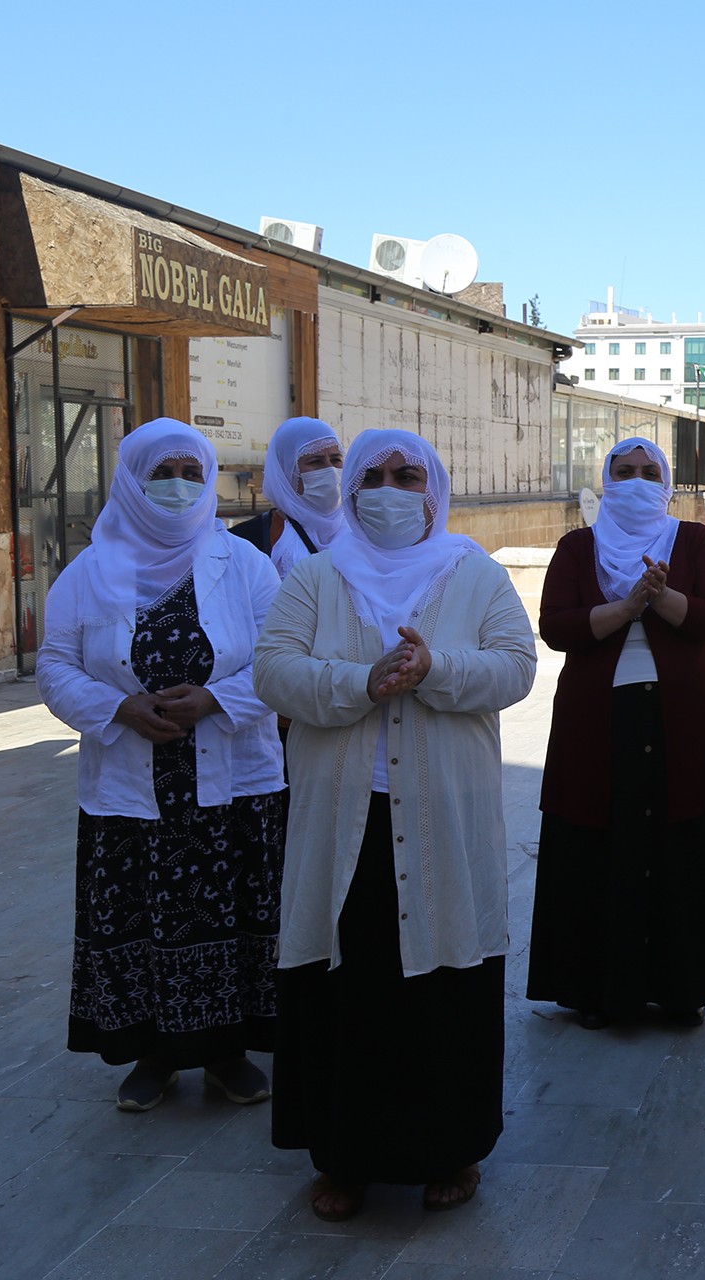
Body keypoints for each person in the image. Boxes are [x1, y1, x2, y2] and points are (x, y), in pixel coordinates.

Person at [255, 428, 537, 1222]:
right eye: (372, 474)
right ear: (350, 491)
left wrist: (435, 668)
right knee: (348, 985)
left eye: (406, 474)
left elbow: (515, 665)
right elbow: (273, 668)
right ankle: (341, 1156)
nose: (388, 486)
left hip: (445, 816)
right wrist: (363, 679)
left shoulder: (474, 574)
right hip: (343, 815)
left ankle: (450, 1150)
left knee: (441, 984)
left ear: (432, 487)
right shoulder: (316, 575)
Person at [35, 417, 285, 1113]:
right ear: (130, 480)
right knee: (139, 921)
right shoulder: (91, 569)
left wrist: (215, 698)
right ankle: (152, 1054)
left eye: (191, 473)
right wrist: (115, 709)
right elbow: (54, 664)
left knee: (231, 915)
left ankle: (229, 1054)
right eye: (161, 472)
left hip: (232, 784)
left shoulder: (246, 565)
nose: (177, 487)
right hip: (130, 789)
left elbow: (280, 658)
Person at [527, 436, 705, 1029]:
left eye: (650, 472)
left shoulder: (692, 540)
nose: (637, 481)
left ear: (667, 481)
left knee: (682, 849)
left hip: (685, 718)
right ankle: (597, 989)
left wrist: (660, 597)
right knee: (599, 848)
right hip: (597, 719)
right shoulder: (578, 547)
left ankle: (681, 988)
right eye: (624, 472)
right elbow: (556, 626)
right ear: (605, 479)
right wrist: (625, 609)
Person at [230, 417, 346, 579]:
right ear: (286, 471)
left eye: (336, 460)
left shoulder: (361, 530)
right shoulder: (246, 541)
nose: (331, 470)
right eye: (315, 461)